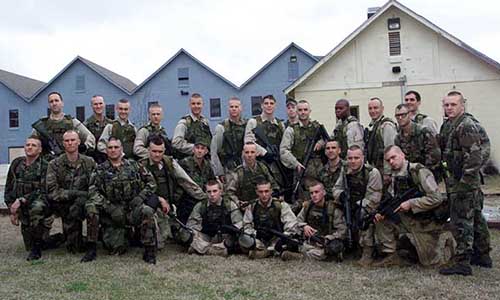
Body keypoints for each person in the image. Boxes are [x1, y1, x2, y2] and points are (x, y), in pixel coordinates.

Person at [371, 145, 455, 267]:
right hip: (408, 219)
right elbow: (393, 198)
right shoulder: (395, 175)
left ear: (402, 155)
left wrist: (412, 203)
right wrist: (381, 212)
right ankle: (391, 254)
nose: (391, 162)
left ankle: (448, 247)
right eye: (388, 160)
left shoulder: (419, 171)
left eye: (393, 157)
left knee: (430, 263)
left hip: (426, 222)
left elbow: (436, 198)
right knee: (382, 219)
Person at [438, 91, 491, 276]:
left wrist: (464, 184)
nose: (449, 108)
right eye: (446, 105)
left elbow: (475, 157)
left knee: (462, 222)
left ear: (462, 105)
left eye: (453, 105)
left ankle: (462, 262)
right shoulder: (450, 125)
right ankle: (483, 256)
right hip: (458, 181)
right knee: (475, 218)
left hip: (464, 183)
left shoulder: (465, 126)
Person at [88, 137, 161, 264]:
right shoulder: (100, 169)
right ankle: (91, 249)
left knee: (147, 211)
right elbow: (93, 192)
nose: (113, 150)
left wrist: (140, 197)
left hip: (132, 209)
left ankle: (149, 250)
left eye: (116, 147)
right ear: (106, 150)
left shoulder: (134, 165)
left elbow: (152, 183)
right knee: (115, 248)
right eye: (110, 148)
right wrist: (109, 207)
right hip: (112, 213)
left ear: (121, 149)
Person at [139, 136, 207, 244]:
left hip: (171, 207)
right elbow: (139, 192)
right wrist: (159, 199)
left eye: (160, 151)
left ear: (164, 151)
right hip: (152, 207)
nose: (157, 154)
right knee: (159, 242)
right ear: (148, 150)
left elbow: (187, 182)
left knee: (185, 237)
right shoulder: (141, 166)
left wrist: (204, 198)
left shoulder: (169, 162)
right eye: (154, 151)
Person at [46, 130, 99, 262]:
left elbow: (97, 185)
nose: (70, 143)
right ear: (63, 143)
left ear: (79, 142)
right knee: (73, 248)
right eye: (67, 141)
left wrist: (84, 199)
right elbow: (52, 191)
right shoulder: (54, 164)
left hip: (84, 202)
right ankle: (59, 238)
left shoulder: (89, 162)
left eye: (73, 140)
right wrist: (74, 194)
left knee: (92, 208)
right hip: (64, 204)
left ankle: (92, 246)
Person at [333, 145, 383, 267]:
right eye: (350, 158)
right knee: (335, 210)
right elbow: (336, 188)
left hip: (368, 206)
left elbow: (374, 197)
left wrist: (357, 206)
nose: (353, 161)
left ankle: (368, 251)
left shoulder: (372, 172)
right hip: (350, 204)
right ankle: (342, 242)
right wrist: (341, 196)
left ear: (362, 158)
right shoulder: (345, 170)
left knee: (362, 215)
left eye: (356, 158)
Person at [4, 136, 50, 260]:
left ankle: (37, 250)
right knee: (29, 245)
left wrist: (21, 200)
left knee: (37, 206)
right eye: (27, 145)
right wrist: (12, 210)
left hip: (39, 206)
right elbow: (9, 188)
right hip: (22, 207)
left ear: (40, 150)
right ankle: (55, 239)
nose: (29, 147)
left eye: (34, 145)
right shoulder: (17, 163)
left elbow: (43, 190)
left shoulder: (45, 166)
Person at [280, 100, 327, 211]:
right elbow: (283, 151)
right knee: (303, 202)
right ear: (296, 111)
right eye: (300, 110)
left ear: (310, 111)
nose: (303, 112)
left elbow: (329, 141)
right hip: (302, 171)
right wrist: (296, 163)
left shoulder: (317, 127)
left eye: (305, 110)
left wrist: (322, 143)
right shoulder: (291, 129)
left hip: (319, 170)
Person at [241, 178, 300, 260]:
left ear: (271, 191)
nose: (264, 195)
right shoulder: (252, 206)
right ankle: (269, 252)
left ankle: (269, 251)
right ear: (256, 192)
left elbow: (291, 224)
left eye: (266, 191)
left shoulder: (280, 205)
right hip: (259, 240)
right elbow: (246, 225)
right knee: (245, 242)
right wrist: (254, 234)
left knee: (289, 242)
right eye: (261, 192)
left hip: (277, 239)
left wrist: (284, 237)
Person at [185, 180, 243, 256]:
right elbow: (191, 225)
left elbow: (239, 224)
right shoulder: (201, 206)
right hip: (207, 237)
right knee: (189, 235)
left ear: (220, 191)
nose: (212, 194)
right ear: (205, 192)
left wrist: (228, 229)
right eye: (209, 192)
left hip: (225, 237)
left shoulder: (229, 205)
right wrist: (200, 230)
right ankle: (215, 250)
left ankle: (201, 249)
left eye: (215, 191)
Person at [32, 91, 95, 159]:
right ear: (49, 105)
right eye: (51, 101)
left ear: (62, 103)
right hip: (47, 161)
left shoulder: (72, 122)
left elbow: (90, 137)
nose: (54, 103)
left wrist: (82, 148)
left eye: (56, 100)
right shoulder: (42, 125)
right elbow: (31, 142)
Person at [296, 181, 346, 261]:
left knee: (328, 251)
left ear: (324, 192)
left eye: (316, 192)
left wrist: (328, 238)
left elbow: (342, 231)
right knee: (296, 244)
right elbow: (298, 220)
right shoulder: (308, 206)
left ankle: (299, 257)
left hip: (325, 243)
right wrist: (304, 226)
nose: (314, 195)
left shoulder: (333, 209)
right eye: (311, 193)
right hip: (310, 241)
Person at [244, 95, 287, 187]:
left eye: (271, 103)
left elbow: (284, 144)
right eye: (266, 103)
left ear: (275, 105)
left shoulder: (280, 124)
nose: (269, 106)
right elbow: (248, 141)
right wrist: (265, 153)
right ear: (262, 106)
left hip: (276, 163)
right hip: (260, 162)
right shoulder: (253, 122)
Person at [226, 142, 279, 209]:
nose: (249, 155)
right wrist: (238, 202)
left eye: (252, 152)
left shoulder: (262, 167)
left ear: (256, 153)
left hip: (265, 205)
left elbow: (273, 184)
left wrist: (275, 195)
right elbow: (229, 193)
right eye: (247, 152)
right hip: (247, 207)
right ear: (243, 153)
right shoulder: (238, 173)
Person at [394, 104, 440, 176]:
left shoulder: (423, 132)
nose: (400, 118)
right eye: (397, 116)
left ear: (409, 114)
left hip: (429, 175)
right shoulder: (398, 138)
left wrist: (424, 173)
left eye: (403, 115)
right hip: (411, 177)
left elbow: (434, 157)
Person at [211, 96, 247, 181]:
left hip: (244, 167)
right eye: (231, 107)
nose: (234, 109)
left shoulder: (246, 125)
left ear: (241, 108)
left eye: (236, 107)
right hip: (228, 169)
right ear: (228, 108)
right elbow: (214, 152)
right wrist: (219, 172)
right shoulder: (221, 127)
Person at [365, 97, 397, 186]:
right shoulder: (373, 126)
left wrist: (387, 172)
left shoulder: (386, 126)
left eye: (376, 108)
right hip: (376, 170)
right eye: (370, 108)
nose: (373, 111)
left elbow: (390, 150)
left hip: (385, 171)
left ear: (382, 109)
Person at [172, 93, 212, 159]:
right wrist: (195, 149)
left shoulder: (205, 122)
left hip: (204, 162)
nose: (196, 106)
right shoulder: (184, 123)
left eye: (198, 104)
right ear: (189, 105)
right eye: (193, 104)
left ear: (202, 105)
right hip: (188, 163)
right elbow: (176, 143)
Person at [84, 95, 113, 163]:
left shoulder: (111, 124)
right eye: (95, 104)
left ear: (104, 104)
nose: (98, 106)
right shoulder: (86, 125)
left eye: (100, 103)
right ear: (92, 106)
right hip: (92, 161)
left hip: (109, 160)